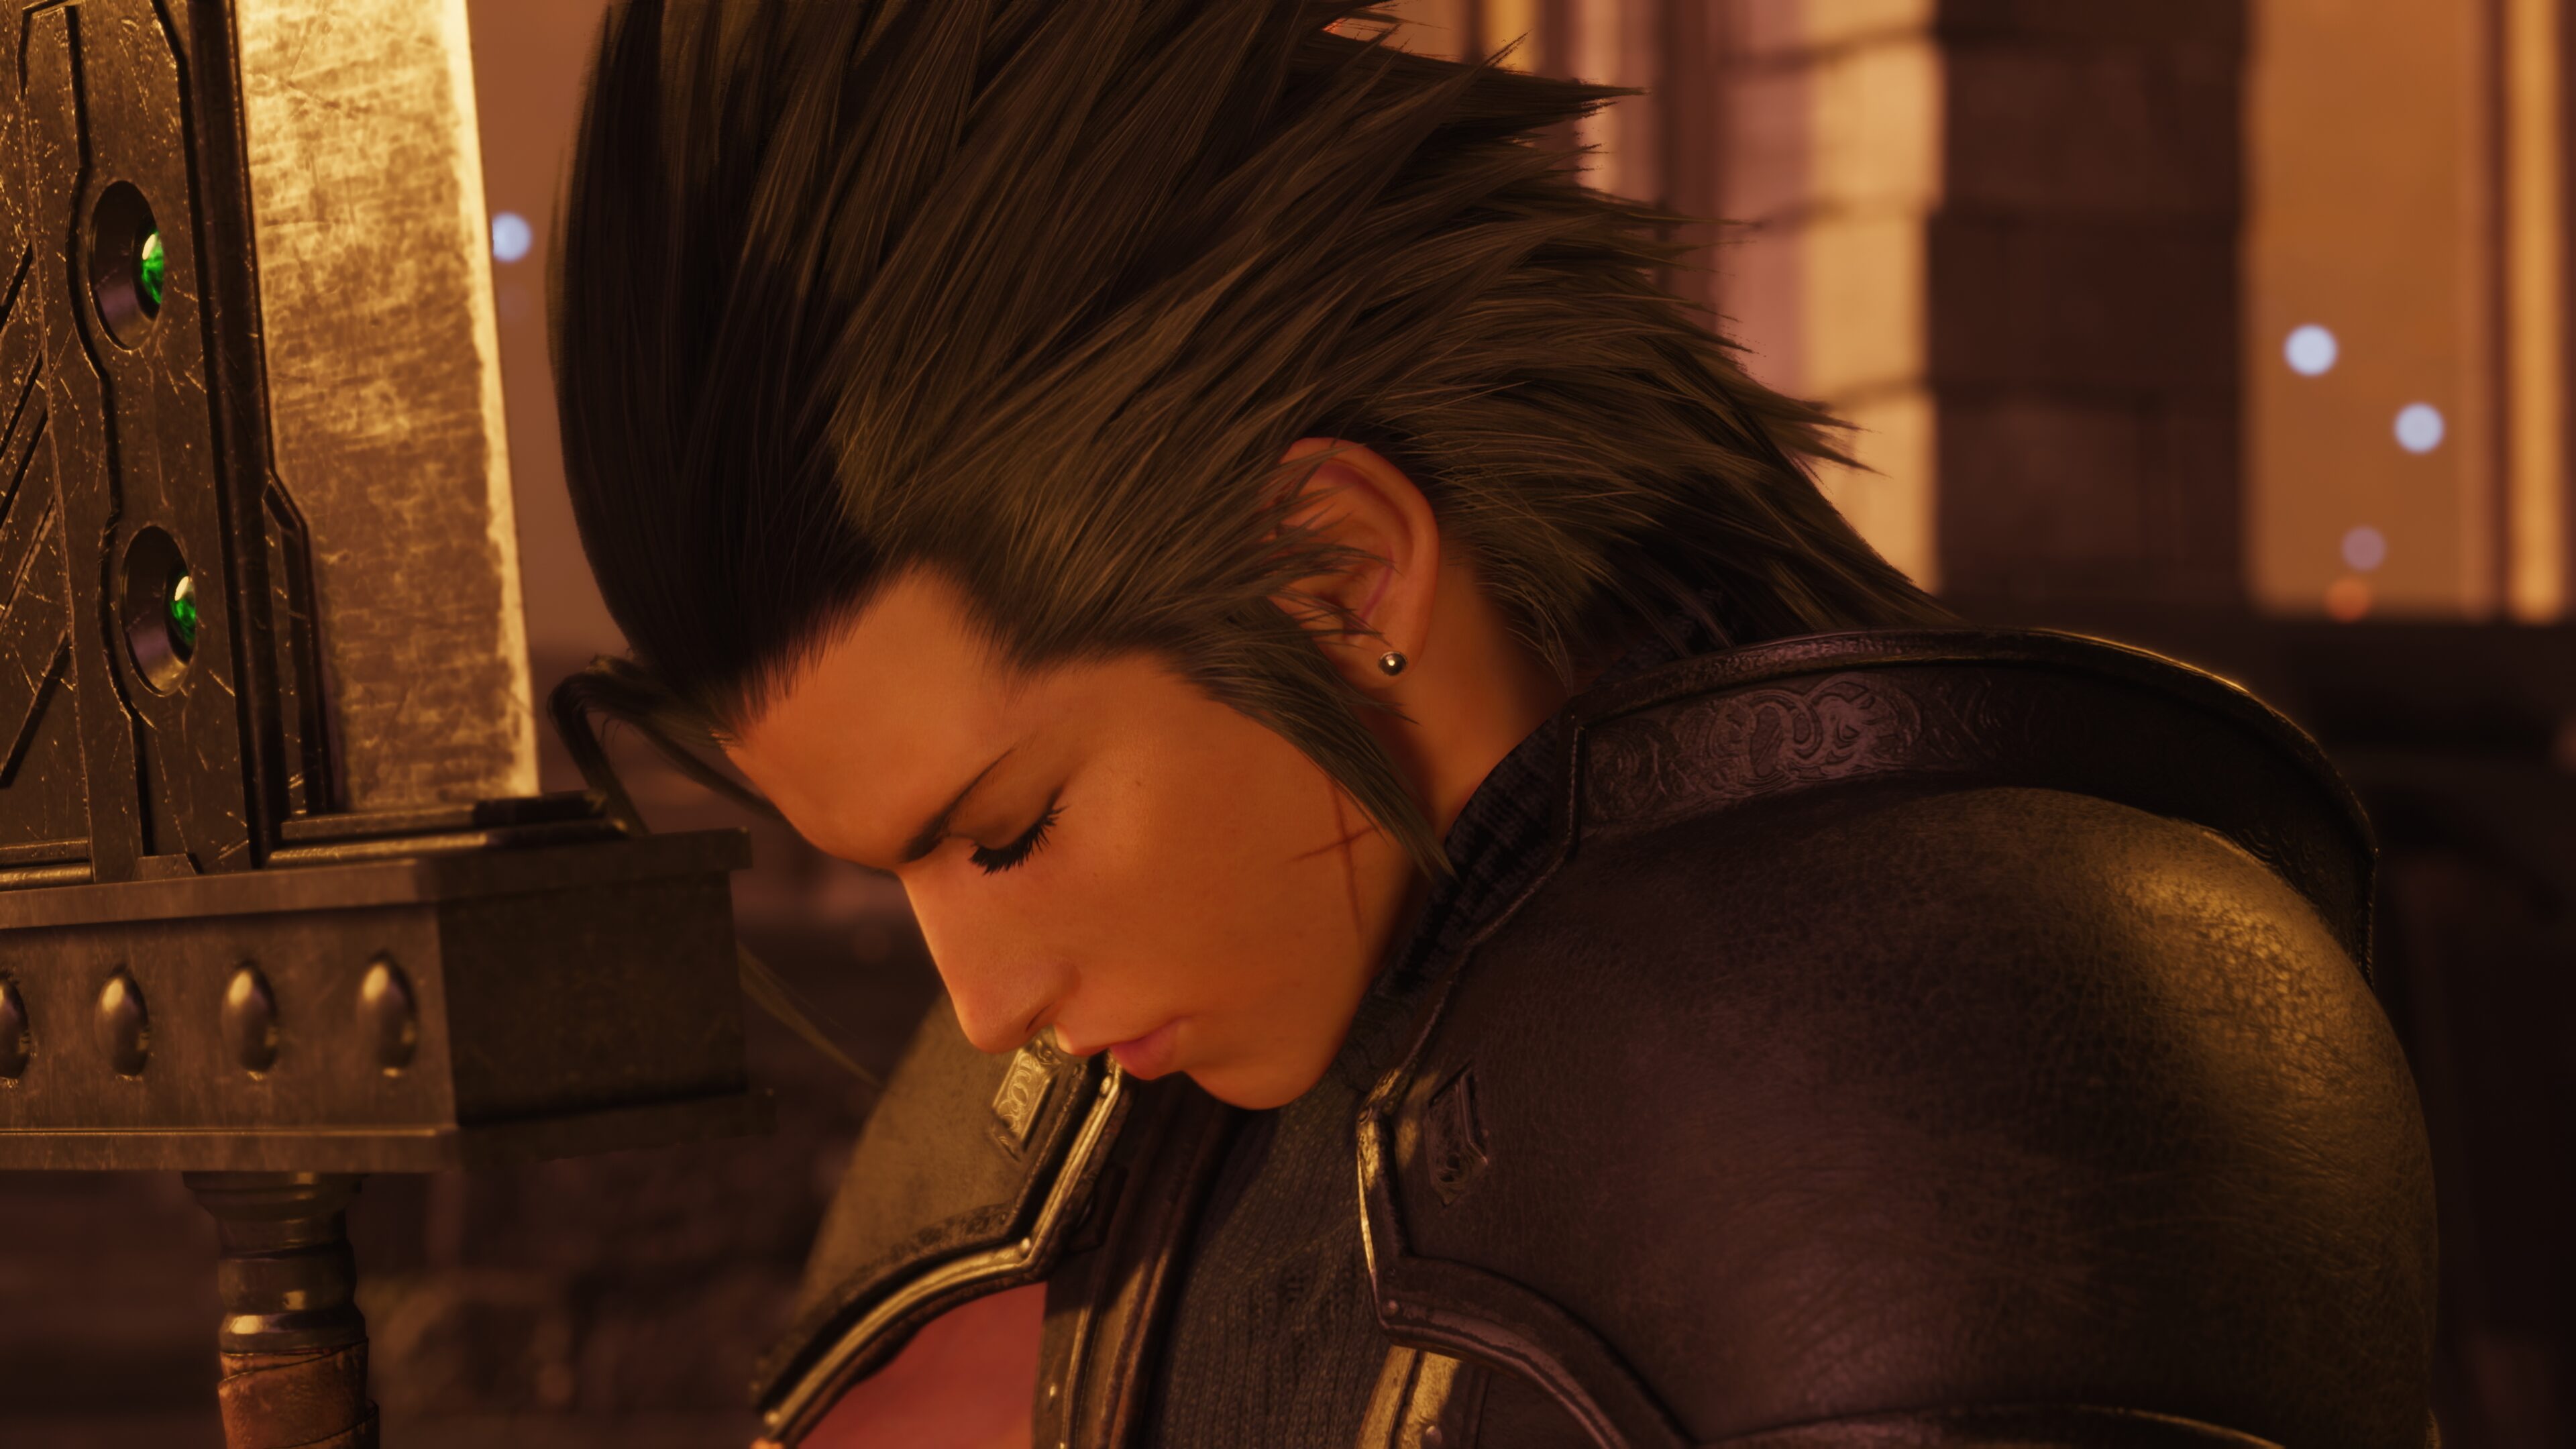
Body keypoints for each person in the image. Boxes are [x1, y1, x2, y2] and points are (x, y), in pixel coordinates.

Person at [547, 3, 2439, 1446]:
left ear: (1335, 573)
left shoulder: (1954, 1040)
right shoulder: (1071, 1115)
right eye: (908, 874)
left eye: (1007, 829)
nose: (979, 1007)